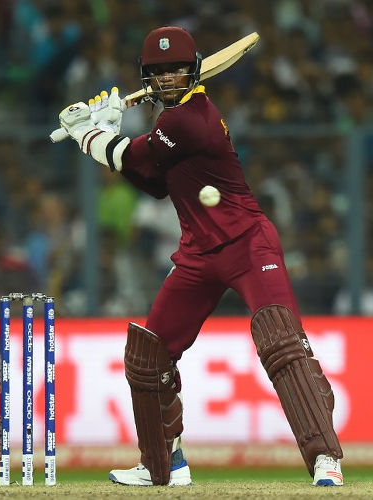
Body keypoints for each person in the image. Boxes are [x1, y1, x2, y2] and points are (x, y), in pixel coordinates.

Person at [56, 26, 343, 487]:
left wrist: (89, 134)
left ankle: (326, 459)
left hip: (249, 243)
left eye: (176, 70)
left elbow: (131, 159)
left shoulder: (191, 117)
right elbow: (151, 181)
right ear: (148, 77)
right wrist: (110, 135)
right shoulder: (167, 125)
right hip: (198, 254)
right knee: (149, 356)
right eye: (159, 72)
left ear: (192, 70)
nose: (168, 78)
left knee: (281, 340)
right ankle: (163, 466)